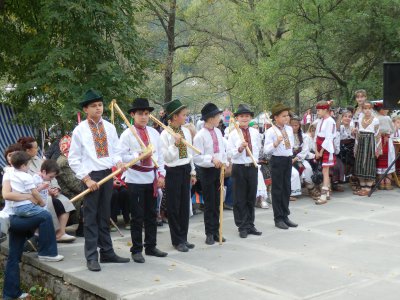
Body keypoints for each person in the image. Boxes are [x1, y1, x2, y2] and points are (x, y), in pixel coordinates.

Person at [68, 89, 130, 271]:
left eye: (100, 105)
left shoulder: (110, 127)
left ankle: (107, 252)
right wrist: (86, 179)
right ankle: (91, 257)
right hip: (91, 177)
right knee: (91, 217)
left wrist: (119, 163)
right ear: (86, 109)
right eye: (93, 106)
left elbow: (116, 151)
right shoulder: (79, 131)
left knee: (106, 214)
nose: (98, 108)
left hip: (107, 175)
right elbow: (73, 158)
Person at [2, 144, 63, 300]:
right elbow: (7, 195)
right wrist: (29, 197)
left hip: (20, 215)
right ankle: (47, 252)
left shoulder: (24, 174)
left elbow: (34, 191)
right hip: (14, 216)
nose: (12, 157)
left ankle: (11, 294)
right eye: (10, 155)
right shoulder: (8, 173)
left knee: (14, 256)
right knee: (45, 216)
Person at [119, 98, 168, 263]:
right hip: (135, 179)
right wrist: (138, 156)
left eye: (146, 114)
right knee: (137, 216)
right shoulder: (127, 134)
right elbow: (120, 156)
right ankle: (136, 249)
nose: (144, 117)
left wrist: (161, 175)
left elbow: (160, 156)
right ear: (133, 115)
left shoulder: (154, 133)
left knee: (151, 215)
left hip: (151, 178)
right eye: (140, 114)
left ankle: (151, 246)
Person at [18, 136, 76, 242]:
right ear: (27, 150)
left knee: (64, 200)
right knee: (49, 202)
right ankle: (52, 232)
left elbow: (51, 175)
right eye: (35, 147)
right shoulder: (22, 163)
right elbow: (28, 183)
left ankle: (61, 232)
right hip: (36, 193)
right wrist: (44, 189)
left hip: (48, 189)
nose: (38, 149)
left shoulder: (39, 160)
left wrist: (55, 188)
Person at [160, 99, 196, 252]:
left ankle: (184, 238)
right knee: (174, 207)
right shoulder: (165, 134)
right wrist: (175, 144)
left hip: (185, 169)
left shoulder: (186, 131)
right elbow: (166, 158)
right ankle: (177, 240)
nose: (185, 117)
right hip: (172, 171)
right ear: (174, 117)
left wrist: (193, 171)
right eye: (183, 115)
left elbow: (190, 153)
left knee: (184, 206)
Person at [193, 103, 227, 245]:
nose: (219, 118)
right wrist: (211, 160)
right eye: (217, 116)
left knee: (218, 202)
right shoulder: (200, 136)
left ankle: (217, 231)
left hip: (219, 170)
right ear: (210, 118)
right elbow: (197, 157)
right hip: (207, 171)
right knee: (209, 203)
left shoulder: (218, 132)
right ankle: (209, 233)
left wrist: (224, 162)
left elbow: (222, 151)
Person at [227, 104, 262, 238]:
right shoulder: (233, 134)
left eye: (247, 116)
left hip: (252, 166)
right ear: (237, 118)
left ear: (250, 117)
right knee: (239, 198)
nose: (244, 118)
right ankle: (242, 225)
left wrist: (256, 162)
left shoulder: (255, 132)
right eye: (241, 116)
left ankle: (250, 224)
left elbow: (258, 148)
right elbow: (230, 154)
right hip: (239, 167)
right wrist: (240, 148)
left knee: (250, 197)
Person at [264, 103, 298, 230]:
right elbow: (266, 150)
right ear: (276, 118)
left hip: (287, 160)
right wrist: (276, 143)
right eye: (283, 116)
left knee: (286, 188)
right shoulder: (270, 131)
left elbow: (291, 145)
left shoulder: (288, 129)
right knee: (277, 189)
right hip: (277, 160)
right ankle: (278, 218)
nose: (286, 118)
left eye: (287, 115)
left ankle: (285, 215)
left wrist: (291, 156)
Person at [56, 135, 85, 236]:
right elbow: (75, 186)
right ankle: (83, 228)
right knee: (91, 196)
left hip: (72, 192)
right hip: (69, 195)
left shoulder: (68, 159)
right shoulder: (64, 162)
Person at [7, 151, 47, 217]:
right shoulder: (27, 176)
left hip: (15, 207)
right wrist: (42, 203)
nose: (29, 167)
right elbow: (34, 192)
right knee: (46, 214)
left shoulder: (11, 174)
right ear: (23, 166)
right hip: (26, 206)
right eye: (28, 164)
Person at [353, 102, 380, 196]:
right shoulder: (360, 118)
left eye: (369, 108)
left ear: (371, 109)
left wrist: (378, 149)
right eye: (365, 108)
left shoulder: (375, 120)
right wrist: (355, 148)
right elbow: (357, 134)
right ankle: (362, 187)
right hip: (361, 142)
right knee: (360, 164)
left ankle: (368, 188)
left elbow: (377, 135)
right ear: (363, 109)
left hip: (370, 143)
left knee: (369, 165)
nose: (367, 110)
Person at [290, 116, 318, 200]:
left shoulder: (303, 136)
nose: (294, 127)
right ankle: (292, 191)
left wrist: (296, 158)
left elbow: (305, 150)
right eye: (292, 125)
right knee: (295, 171)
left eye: (296, 125)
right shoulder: (286, 136)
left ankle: (310, 187)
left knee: (308, 168)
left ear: (299, 125)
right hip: (288, 158)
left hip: (299, 158)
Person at [314, 101, 337, 204]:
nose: (317, 112)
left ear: (325, 110)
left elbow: (328, 138)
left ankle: (323, 195)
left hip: (326, 148)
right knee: (324, 170)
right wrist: (316, 150)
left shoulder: (331, 121)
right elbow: (316, 135)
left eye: (319, 110)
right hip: (319, 148)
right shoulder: (320, 121)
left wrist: (321, 151)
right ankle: (326, 192)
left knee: (325, 171)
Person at [374, 102, 395, 190]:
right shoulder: (387, 118)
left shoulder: (374, 118)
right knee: (388, 158)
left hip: (378, 140)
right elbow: (392, 129)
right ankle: (388, 181)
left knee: (379, 159)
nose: (387, 110)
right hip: (386, 139)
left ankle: (381, 181)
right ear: (382, 110)